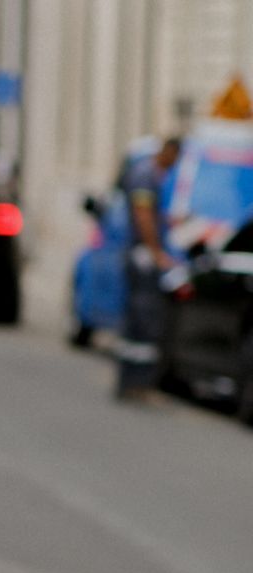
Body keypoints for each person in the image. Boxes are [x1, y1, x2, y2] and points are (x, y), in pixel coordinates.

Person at [114, 134, 181, 398]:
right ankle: (134, 383)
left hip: (143, 252)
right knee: (143, 318)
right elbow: (143, 216)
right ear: (168, 152)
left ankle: (135, 383)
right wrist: (156, 252)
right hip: (143, 254)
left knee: (142, 319)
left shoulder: (152, 174)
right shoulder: (146, 175)